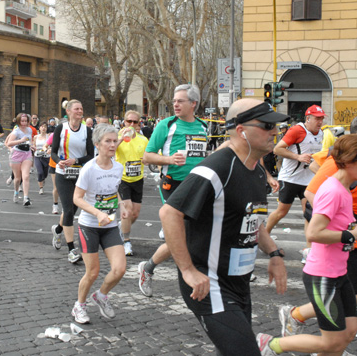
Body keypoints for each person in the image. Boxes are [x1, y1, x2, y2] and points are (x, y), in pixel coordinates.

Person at [159, 99, 288, 355]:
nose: (275, 131)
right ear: (241, 130)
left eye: (275, 125)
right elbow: (169, 212)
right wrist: (187, 270)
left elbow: (253, 220)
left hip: (238, 282)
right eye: (266, 125)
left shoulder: (257, 170)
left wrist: (273, 253)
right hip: (209, 283)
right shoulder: (216, 169)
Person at [257, 135, 357, 356]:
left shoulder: (344, 189)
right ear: (350, 161)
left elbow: (338, 225)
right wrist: (352, 235)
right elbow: (314, 233)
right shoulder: (333, 190)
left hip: (338, 273)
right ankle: (271, 345)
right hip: (323, 276)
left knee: (350, 331)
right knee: (331, 342)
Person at [137, 84, 209, 297]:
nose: (175, 104)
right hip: (173, 185)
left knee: (195, 233)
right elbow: (147, 156)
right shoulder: (167, 125)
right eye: (174, 101)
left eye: (180, 101)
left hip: (197, 185)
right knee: (183, 234)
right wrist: (168, 159)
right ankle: (149, 268)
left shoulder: (203, 126)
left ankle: (157, 267)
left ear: (193, 104)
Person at [71, 123, 128, 324]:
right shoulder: (89, 168)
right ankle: (79, 305)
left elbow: (112, 190)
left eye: (115, 141)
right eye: (108, 141)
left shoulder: (118, 167)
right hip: (89, 226)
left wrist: (121, 204)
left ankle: (101, 295)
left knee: (120, 268)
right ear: (97, 144)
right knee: (93, 272)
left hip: (110, 224)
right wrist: (97, 213)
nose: (113, 145)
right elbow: (77, 198)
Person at [266, 105, 325, 263]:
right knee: (281, 212)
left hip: (309, 180)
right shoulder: (297, 131)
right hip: (290, 179)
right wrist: (298, 157)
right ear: (308, 118)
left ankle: (309, 250)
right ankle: (263, 237)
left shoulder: (322, 133)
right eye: (317, 118)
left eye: (322, 118)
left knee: (310, 214)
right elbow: (277, 149)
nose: (320, 122)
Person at [50, 100, 95, 263]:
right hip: (63, 173)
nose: (80, 111)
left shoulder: (87, 131)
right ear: (68, 111)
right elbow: (53, 152)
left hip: (80, 175)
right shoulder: (61, 128)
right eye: (76, 108)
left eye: (81, 108)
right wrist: (59, 161)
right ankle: (71, 250)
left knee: (72, 211)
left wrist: (76, 160)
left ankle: (58, 229)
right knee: (68, 210)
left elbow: (91, 155)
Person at [115, 110, 148, 256]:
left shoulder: (143, 140)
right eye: (129, 121)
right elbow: (108, 151)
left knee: (134, 214)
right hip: (122, 179)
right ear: (124, 122)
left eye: (135, 122)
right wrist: (121, 139)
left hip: (137, 179)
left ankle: (122, 227)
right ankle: (126, 241)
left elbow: (149, 155)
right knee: (127, 210)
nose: (132, 124)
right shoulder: (116, 136)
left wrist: (147, 160)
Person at [5, 113, 34, 206]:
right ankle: (16, 192)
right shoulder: (16, 132)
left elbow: (30, 140)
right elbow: (9, 143)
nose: (24, 123)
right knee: (17, 178)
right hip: (16, 154)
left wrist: (32, 146)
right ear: (18, 121)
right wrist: (21, 140)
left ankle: (26, 198)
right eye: (22, 121)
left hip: (27, 154)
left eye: (26, 121)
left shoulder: (29, 130)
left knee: (26, 176)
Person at [33, 122, 50, 195]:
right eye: (42, 126)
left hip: (46, 157)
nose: (43, 128)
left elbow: (51, 145)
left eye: (45, 127)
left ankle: (43, 179)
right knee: (40, 172)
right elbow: (34, 145)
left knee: (45, 174)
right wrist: (33, 148)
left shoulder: (48, 136)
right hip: (37, 156)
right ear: (39, 128)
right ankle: (41, 188)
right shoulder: (36, 137)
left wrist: (49, 149)